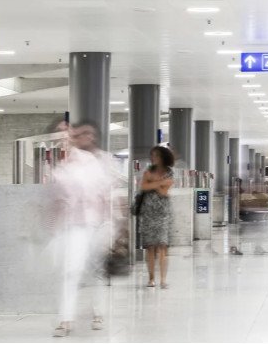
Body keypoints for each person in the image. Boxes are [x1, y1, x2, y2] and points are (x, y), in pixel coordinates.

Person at [51, 121, 121, 337]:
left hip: (97, 224)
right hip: (74, 227)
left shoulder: (91, 162)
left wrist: (115, 226)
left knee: (96, 271)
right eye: (59, 136)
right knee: (71, 271)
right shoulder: (62, 168)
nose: (65, 139)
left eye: (67, 134)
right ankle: (65, 319)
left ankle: (98, 313)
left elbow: (106, 194)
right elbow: (57, 200)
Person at [138, 146, 175, 288]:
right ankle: (151, 278)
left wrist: (152, 183)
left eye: (156, 155)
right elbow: (143, 187)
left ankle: (163, 280)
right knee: (150, 247)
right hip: (148, 213)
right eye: (152, 155)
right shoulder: (148, 171)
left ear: (163, 157)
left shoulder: (169, 172)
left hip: (163, 213)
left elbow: (164, 192)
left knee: (162, 246)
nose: (153, 158)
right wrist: (159, 183)